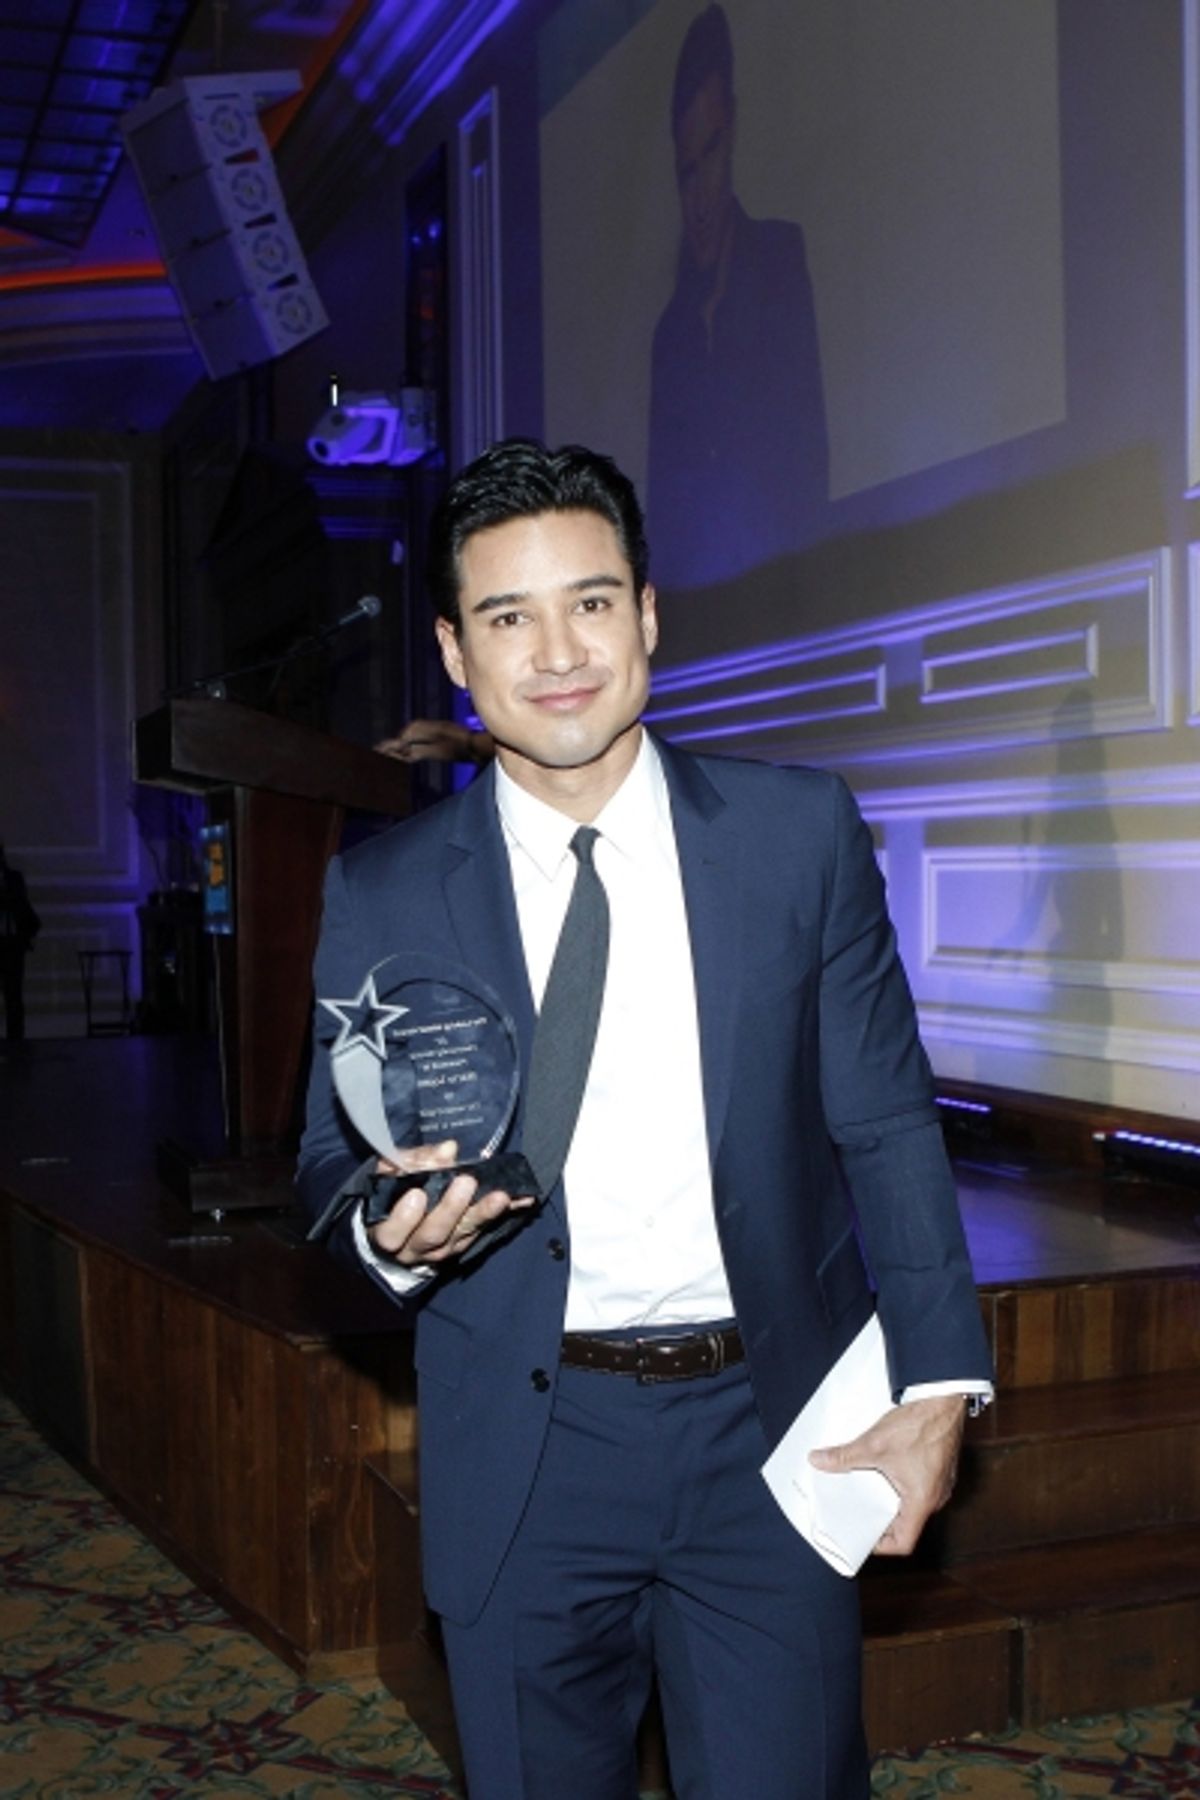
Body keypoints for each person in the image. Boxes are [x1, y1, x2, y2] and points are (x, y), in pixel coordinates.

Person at [298, 439, 993, 1800]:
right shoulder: (382, 890)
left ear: (649, 615)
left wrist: (938, 1381)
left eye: (593, 602)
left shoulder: (793, 838)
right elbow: (329, 1164)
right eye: (508, 615)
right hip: (528, 1447)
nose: (558, 650)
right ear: (453, 650)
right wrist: (397, 1233)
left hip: (774, 1434)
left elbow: (889, 1124)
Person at [647, 4, 829, 591]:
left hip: (788, 598)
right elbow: (664, 523)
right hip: (703, 619)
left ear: (735, 136)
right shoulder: (671, 333)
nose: (698, 196)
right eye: (685, 171)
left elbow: (807, 460)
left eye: (711, 156)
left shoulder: (779, 260)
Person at [0, 841, 40, 1044]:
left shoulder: (14, 878)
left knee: (14, 996)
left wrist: (25, 936)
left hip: (12, 945)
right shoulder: (12, 879)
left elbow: (22, 907)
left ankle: (16, 1042)